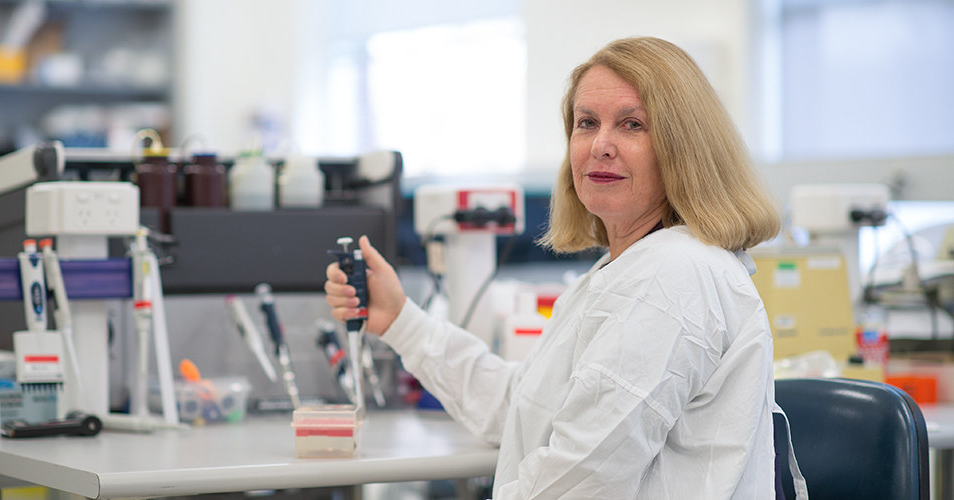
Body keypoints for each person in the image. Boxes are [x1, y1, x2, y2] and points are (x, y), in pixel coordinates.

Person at [326, 36, 788, 499]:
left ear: (683, 147)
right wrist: (401, 319)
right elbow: (521, 407)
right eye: (586, 123)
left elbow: (582, 479)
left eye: (631, 125)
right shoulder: (622, 271)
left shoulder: (673, 274)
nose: (600, 145)